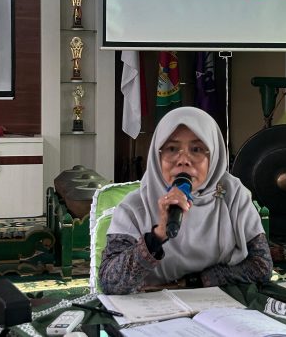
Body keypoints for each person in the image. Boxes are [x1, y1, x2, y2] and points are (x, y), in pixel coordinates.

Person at [99, 107, 273, 294]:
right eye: (172, 149)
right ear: (157, 156)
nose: (183, 160)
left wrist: (193, 282)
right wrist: (157, 236)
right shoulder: (135, 206)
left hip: (219, 304)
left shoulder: (233, 195)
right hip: (152, 306)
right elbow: (110, 283)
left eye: (196, 149)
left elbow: (262, 266)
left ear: (214, 155)